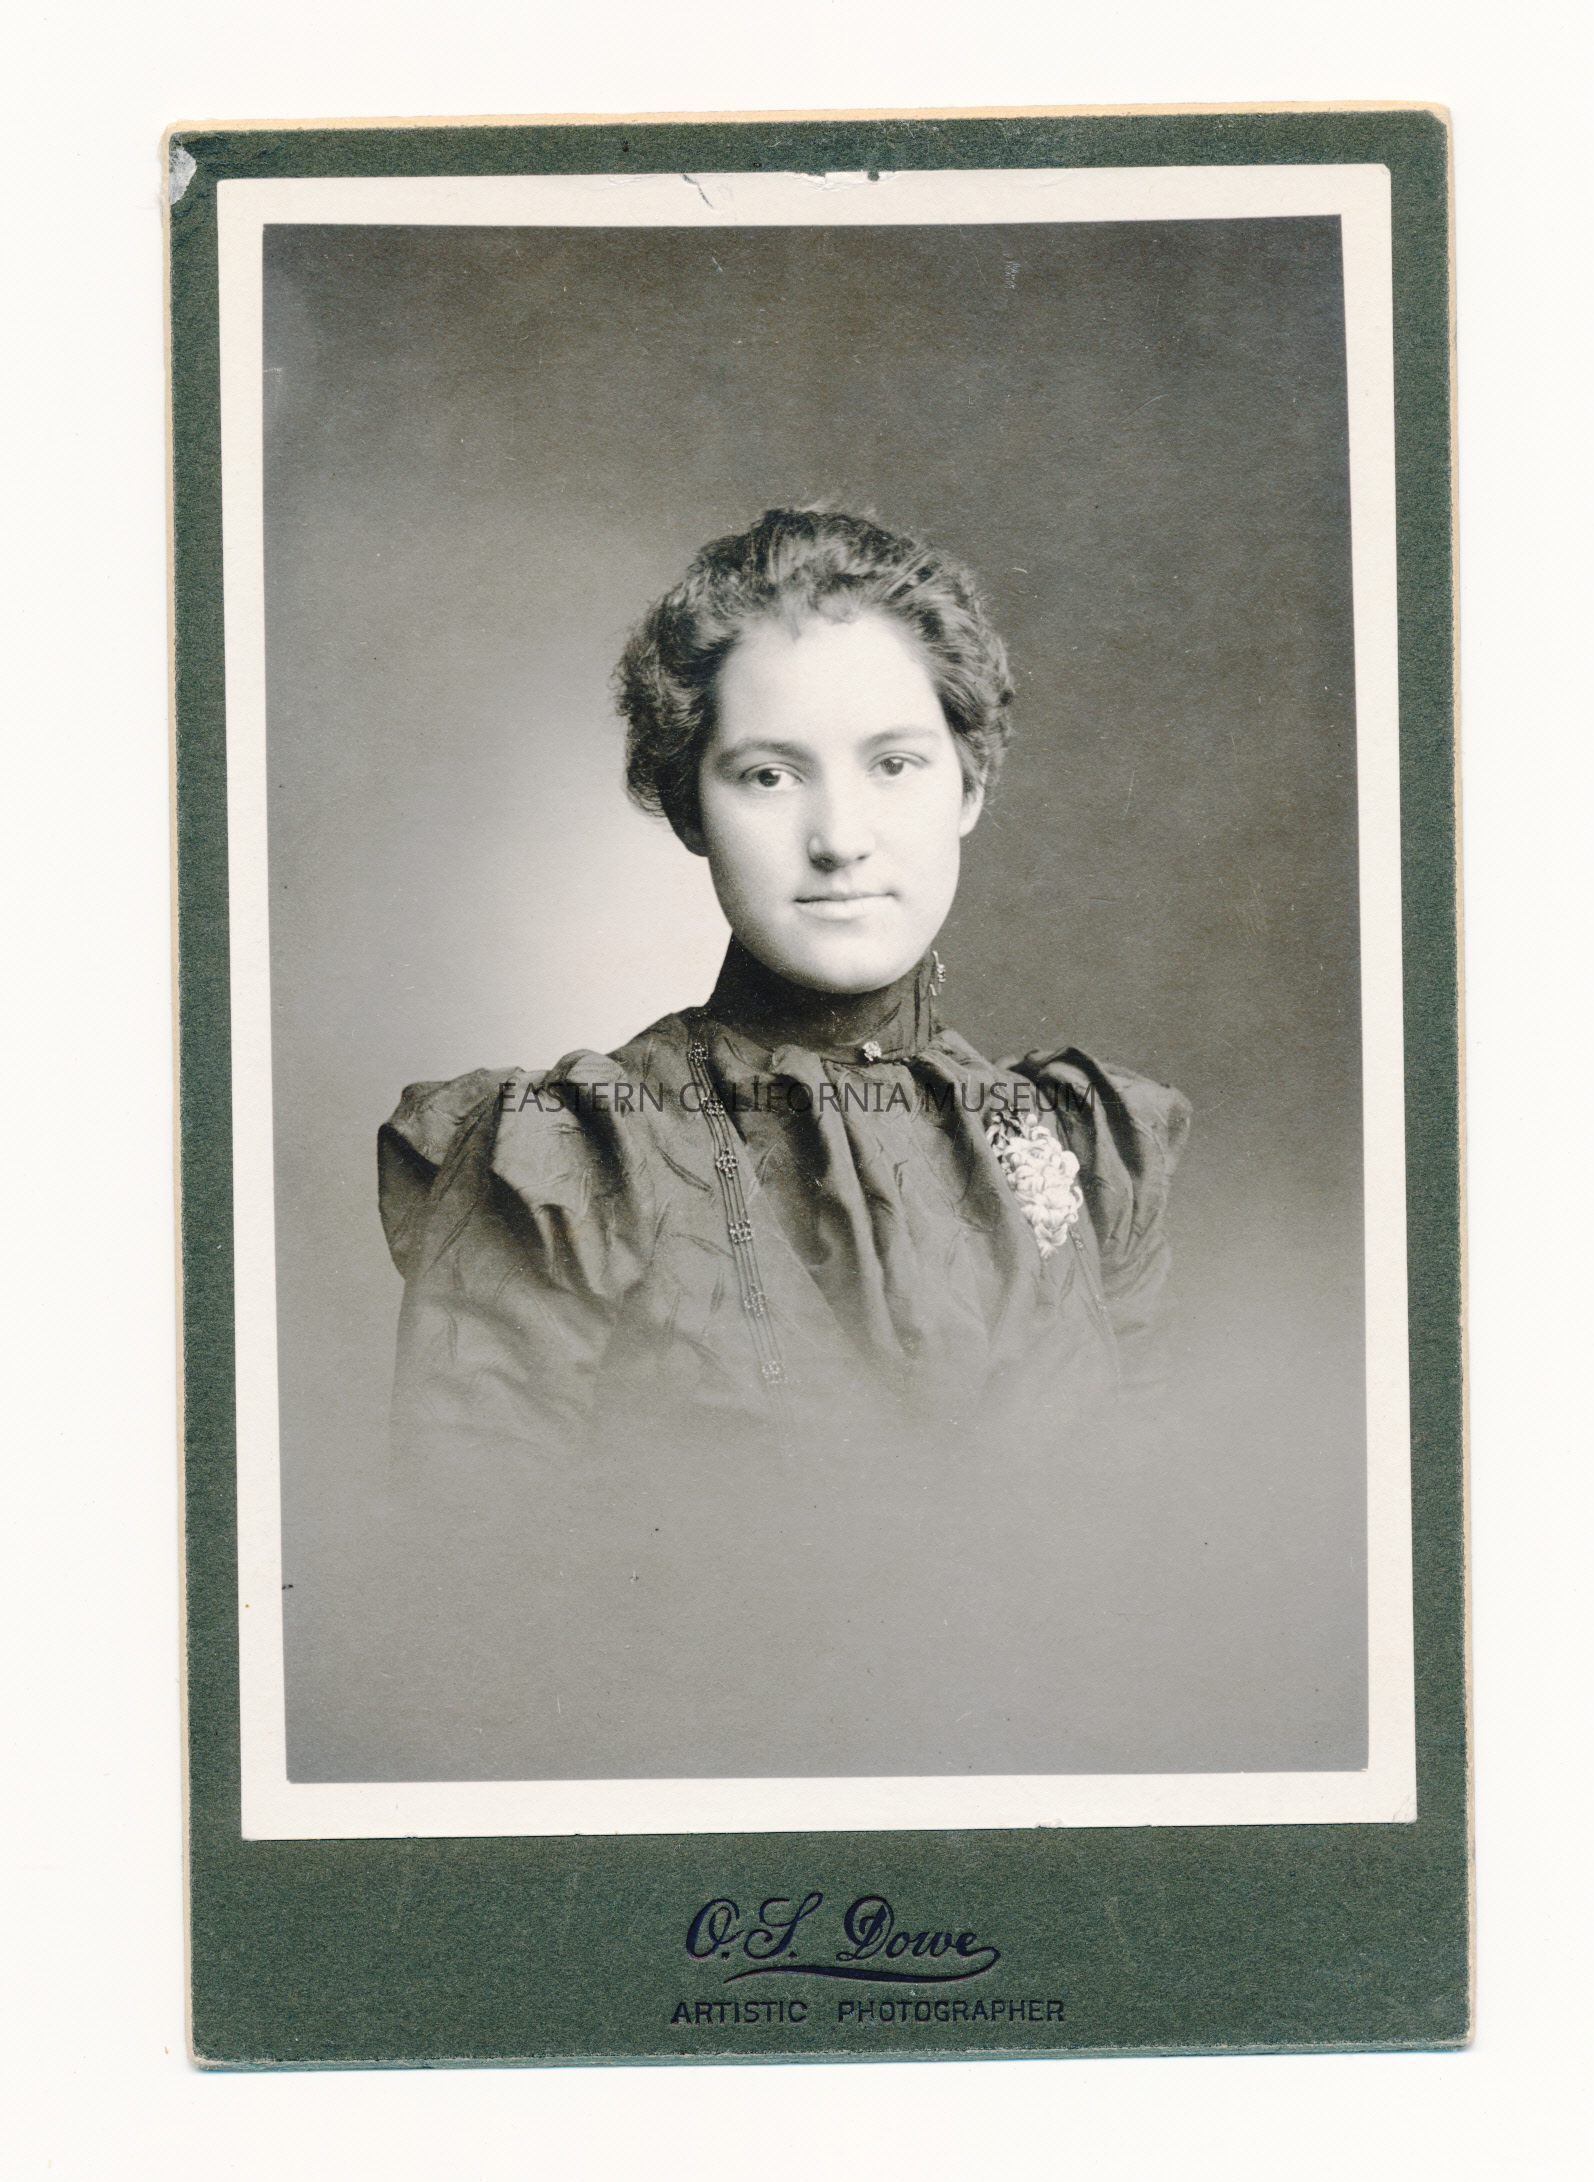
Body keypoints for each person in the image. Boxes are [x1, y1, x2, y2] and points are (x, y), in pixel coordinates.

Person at [375, 507, 1190, 1779]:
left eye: (895, 763)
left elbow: (1154, 1584)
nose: (840, 836)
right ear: (688, 805)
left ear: (970, 783)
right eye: (767, 774)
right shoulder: (573, 1157)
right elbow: (470, 1614)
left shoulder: (1075, 1146)